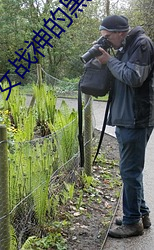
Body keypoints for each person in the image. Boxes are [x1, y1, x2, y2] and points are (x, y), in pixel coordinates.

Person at [96, 15, 154, 238]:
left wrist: (109, 61)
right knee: (131, 171)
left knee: (129, 171)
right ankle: (141, 214)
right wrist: (106, 60)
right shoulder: (125, 46)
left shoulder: (142, 44)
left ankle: (132, 223)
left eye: (108, 37)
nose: (107, 41)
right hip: (126, 117)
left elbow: (133, 77)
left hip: (136, 118)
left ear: (120, 32)